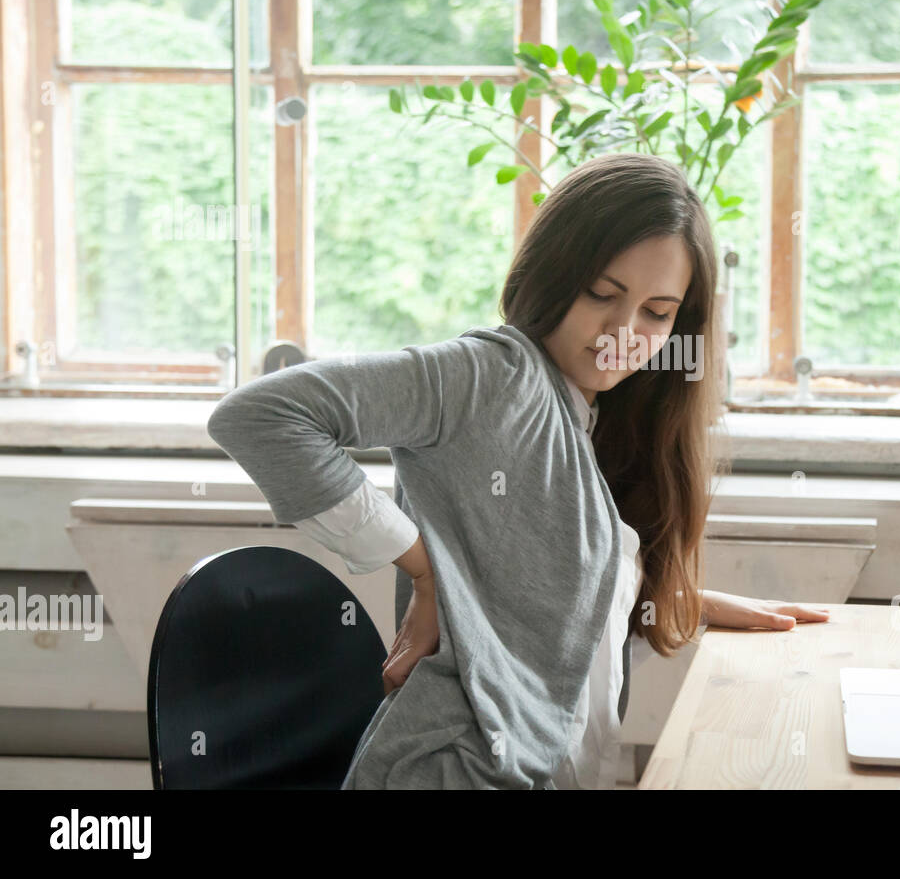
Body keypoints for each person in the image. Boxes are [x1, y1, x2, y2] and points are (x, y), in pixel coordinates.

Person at [206, 152, 829, 789]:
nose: (624, 330)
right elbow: (259, 415)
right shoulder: (490, 377)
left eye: (657, 312)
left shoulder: (586, 414)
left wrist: (663, 598)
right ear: (552, 274)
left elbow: (538, 595)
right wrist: (423, 569)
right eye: (602, 294)